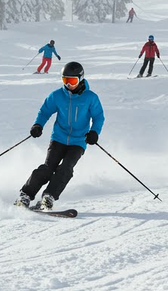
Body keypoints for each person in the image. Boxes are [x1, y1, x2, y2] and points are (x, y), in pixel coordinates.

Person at [15, 62, 105, 211]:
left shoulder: (91, 98)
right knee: (48, 168)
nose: (69, 85)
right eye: (65, 80)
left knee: (66, 168)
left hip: (78, 141)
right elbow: (45, 111)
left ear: (81, 79)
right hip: (58, 138)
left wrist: (94, 132)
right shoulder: (57, 95)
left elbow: (99, 117)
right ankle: (25, 195)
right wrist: (38, 125)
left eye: (72, 81)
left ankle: (48, 197)